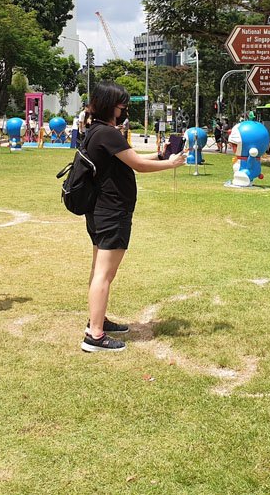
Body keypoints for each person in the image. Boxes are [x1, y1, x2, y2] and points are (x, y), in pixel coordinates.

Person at [81, 82, 186, 352]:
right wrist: (171, 164)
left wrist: (161, 155)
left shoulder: (97, 131)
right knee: (105, 273)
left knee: (99, 270)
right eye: (121, 105)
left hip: (99, 210)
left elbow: (128, 158)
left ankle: (97, 319)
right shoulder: (109, 133)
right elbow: (138, 165)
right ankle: (95, 335)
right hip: (112, 212)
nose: (124, 110)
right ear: (109, 105)